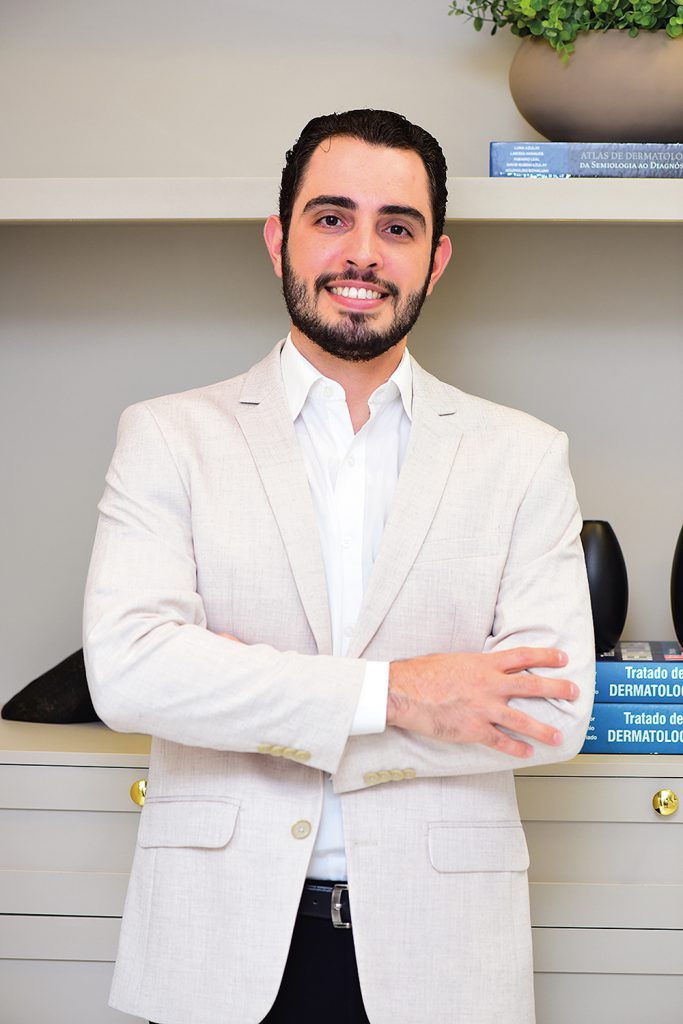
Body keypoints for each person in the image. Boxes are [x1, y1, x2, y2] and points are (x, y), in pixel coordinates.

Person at [83, 108, 594, 1024]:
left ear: (435, 258)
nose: (361, 253)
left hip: (444, 955)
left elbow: (550, 716)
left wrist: (237, 685)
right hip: (219, 948)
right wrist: (403, 692)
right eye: (331, 217)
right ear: (279, 238)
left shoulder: (522, 456)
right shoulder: (168, 437)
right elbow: (129, 673)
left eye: (396, 227)